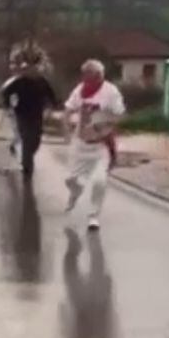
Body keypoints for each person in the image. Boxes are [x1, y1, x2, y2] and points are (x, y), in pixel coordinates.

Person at [64, 59, 126, 230]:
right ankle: (75, 194)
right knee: (71, 180)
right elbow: (68, 109)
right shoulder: (80, 90)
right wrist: (67, 128)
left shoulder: (111, 92)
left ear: (99, 76)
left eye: (91, 75)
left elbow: (120, 115)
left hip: (100, 146)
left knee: (99, 181)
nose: (87, 79)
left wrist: (105, 126)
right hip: (80, 144)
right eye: (85, 75)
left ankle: (93, 215)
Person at [1, 47, 59, 179]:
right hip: (22, 114)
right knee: (27, 138)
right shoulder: (19, 81)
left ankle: (27, 155)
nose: (31, 71)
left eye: (33, 68)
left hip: (37, 114)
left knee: (36, 140)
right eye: (28, 68)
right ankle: (27, 166)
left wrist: (53, 105)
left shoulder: (42, 81)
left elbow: (51, 95)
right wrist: (8, 104)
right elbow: (6, 93)